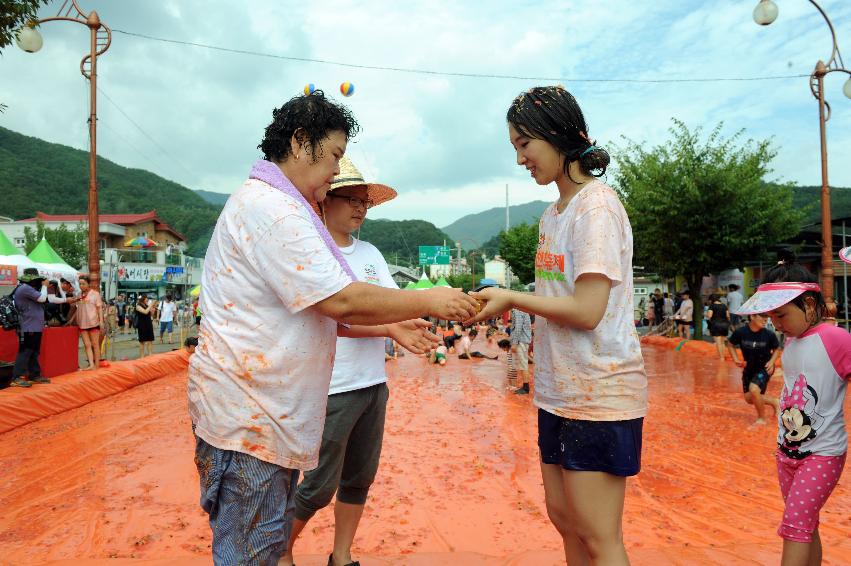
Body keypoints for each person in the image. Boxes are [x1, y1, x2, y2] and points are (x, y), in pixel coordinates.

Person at [187, 91, 477, 565]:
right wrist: (430, 298)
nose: (334, 172)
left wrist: (396, 325)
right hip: (250, 418)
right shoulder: (273, 210)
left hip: (265, 416)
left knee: (266, 542)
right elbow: (340, 301)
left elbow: (329, 314)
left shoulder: (285, 209)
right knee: (253, 552)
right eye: (336, 157)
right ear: (302, 143)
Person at [469, 86, 647, 565]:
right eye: (515, 147)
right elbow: (555, 298)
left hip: (601, 391)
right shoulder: (553, 215)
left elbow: (588, 310)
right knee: (565, 521)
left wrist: (511, 298)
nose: (521, 158)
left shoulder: (597, 207)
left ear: (557, 134)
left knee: (597, 533)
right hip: (558, 391)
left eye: (524, 143)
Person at [283, 156, 404, 566]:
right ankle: (281, 551)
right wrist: (390, 328)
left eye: (364, 201)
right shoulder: (315, 252)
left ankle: (341, 555)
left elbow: (393, 304)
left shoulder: (370, 253)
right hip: (334, 386)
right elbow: (333, 321)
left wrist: (415, 319)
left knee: (358, 479)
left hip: (372, 383)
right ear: (324, 202)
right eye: (349, 198)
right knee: (317, 486)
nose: (359, 208)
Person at [736, 255, 851, 566]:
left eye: (781, 315)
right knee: (805, 525)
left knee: (795, 528)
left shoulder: (836, 339)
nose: (776, 323)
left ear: (810, 307)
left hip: (823, 452)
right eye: (772, 316)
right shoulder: (792, 341)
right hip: (787, 452)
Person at [727, 314, 781, 425]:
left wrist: (771, 362)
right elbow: (730, 344)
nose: (765, 319)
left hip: (764, 368)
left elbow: (777, 349)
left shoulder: (769, 334)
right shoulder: (741, 332)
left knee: (754, 389)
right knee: (749, 398)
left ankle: (761, 418)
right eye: (762, 316)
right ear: (752, 316)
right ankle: (775, 402)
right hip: (749, 368)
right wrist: (736, 359)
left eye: (767, 317)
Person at [10, 268, 50, 388]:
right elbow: (43, 298)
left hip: (34, 326)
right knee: (25, 351)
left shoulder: (28, 289)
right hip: (28, 326)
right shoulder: (25, 288)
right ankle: (16, 377)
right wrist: (45, 286)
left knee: (33, 351)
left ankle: (34, 374)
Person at [75, 275, 104, 371]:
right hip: (82, 323)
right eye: (80, 284)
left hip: (93, 322)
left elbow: (99, 308)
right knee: (87, 345)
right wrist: (72, 320)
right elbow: (77, 309)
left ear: (88, 284)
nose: (81, 286)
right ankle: (91, 364)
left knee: (95, 344)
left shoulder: (95, 294)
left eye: (83, 284)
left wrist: (101, 321)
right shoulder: (78, 295)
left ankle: (97, 365)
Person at [510, 307, 532, 395]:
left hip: (521, 341)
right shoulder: (522, 310)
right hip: (523, 340)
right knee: (523, 364)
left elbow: (518, 327)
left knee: (523, 364)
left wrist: (514, 343)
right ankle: (525, 386)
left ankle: (526, 387)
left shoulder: (517, 310)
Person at [705, 293, 731, 359]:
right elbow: (728, 316)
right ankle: (723, 356)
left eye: (710, 300)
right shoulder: (724, 305)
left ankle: (721, 358)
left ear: (712, 299)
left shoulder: (712, 306)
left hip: (716, 325)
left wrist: (706, 314)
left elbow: (709, 316)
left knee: (718, 343)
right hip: (724, 325)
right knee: (722, 342)